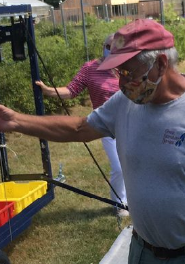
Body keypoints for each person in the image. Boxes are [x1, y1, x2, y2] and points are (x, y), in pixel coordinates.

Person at [0, 19, 185, 263]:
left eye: (128, 72)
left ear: (161, 64)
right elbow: (79, 128)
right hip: (143, 251)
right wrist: (16, 121)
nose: (121, 83)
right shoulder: (125, 103)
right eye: (118, 73)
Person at [35, 34, 129, 217]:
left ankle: (134, 198)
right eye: (108, 46)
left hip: (130, 121)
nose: (111, 50)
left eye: (116, 47)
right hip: (106, 125)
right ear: (103, 46)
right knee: (118, 166)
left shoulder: (126, 66)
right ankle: (119, 202)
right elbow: (71, 91)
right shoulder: (91, 68)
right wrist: (48, 91)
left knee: (132, 162)